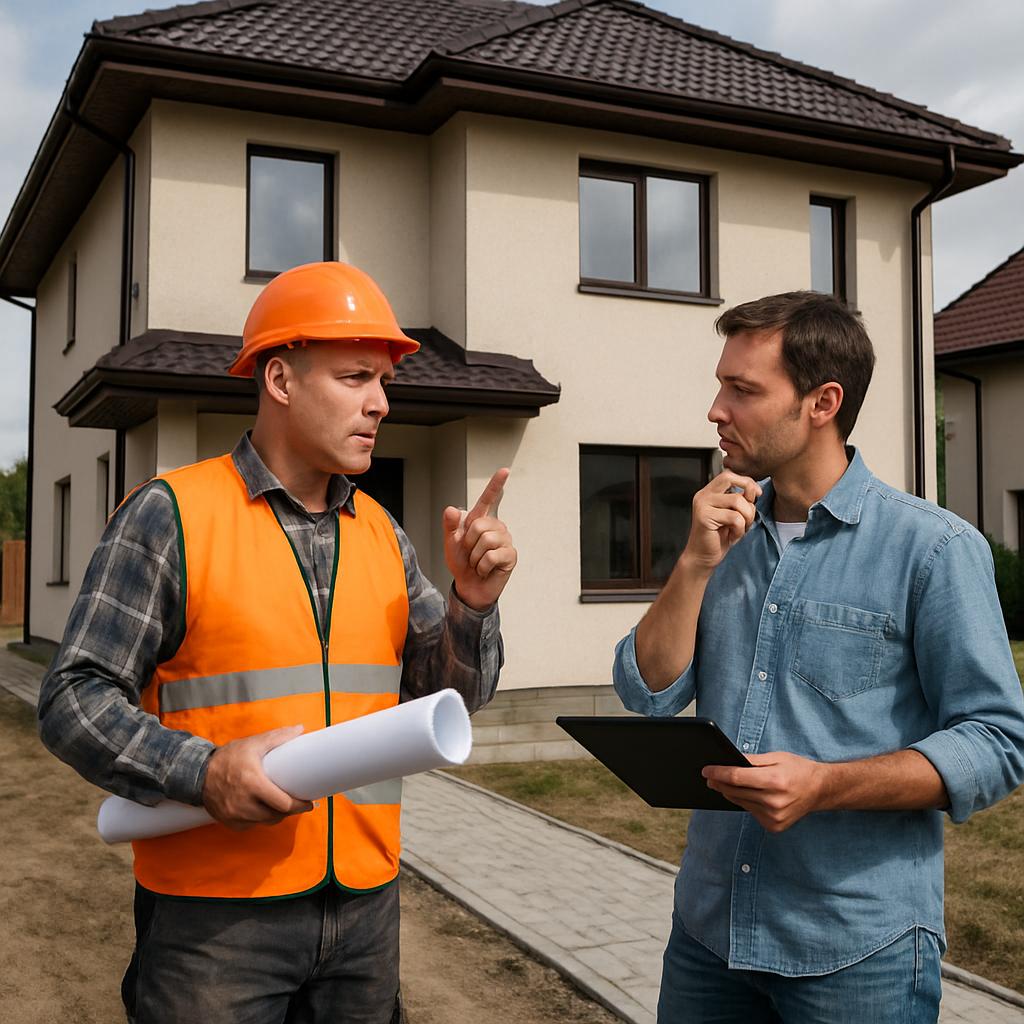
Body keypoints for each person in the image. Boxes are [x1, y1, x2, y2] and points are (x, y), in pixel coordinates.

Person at [38, 261, 518, 1024]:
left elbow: (450, 698)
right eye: (356, 377)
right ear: (280, 379)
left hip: (365, 911)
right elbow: (73, 698)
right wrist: (202, 772)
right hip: (214, 925)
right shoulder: (170, 515)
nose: (380, 402)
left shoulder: (382, 535)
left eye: (383, 382)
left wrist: (472, 604)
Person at [612, 291, 1024, 1024]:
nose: (715, 410)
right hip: (708, 935)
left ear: (822, 403)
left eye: (742, 390)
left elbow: (996, 742)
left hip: (857, 952)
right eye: (720, 385)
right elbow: (646, 691)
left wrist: (826, 785)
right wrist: (694, 565)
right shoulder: (721, 532)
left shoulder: (933, 549)